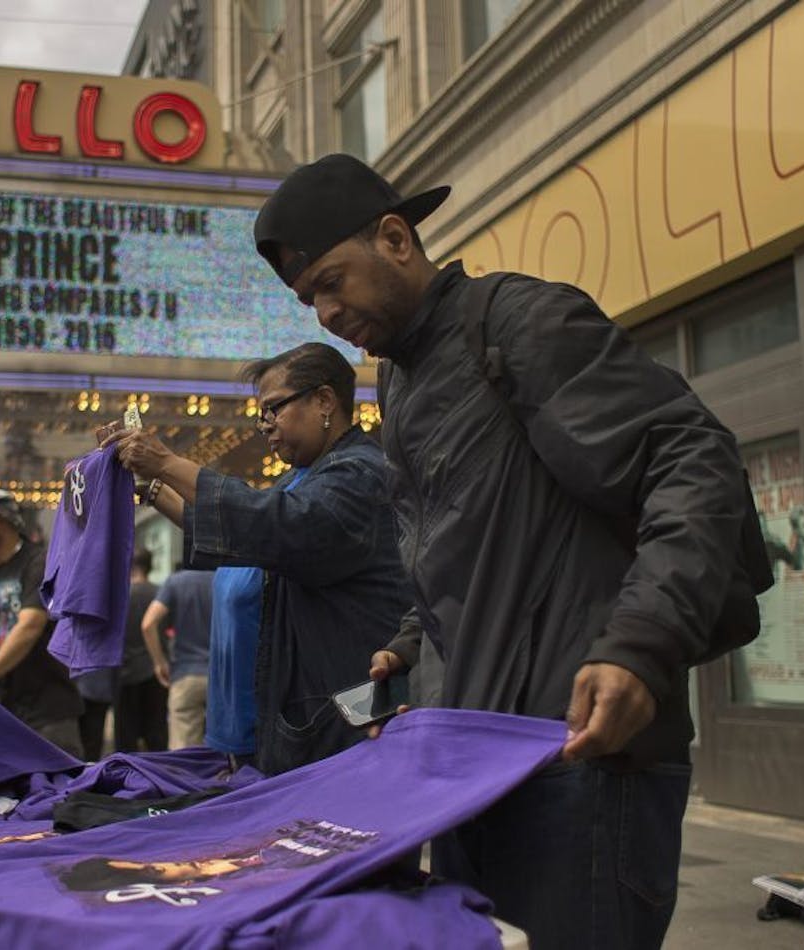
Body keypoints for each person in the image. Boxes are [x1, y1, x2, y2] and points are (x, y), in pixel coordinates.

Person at [253, 152, 758, 949]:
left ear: (394, 237)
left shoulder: (520, 321)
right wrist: (411, 647)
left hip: (582, 764)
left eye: (330, 281)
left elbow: (693, 461)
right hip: (467, 767)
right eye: (308, 296)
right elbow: (467, 551)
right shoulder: (402, 383)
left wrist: (642, 645)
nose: (323, 313)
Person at [104, 342, 410, 775]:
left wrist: (167, 463)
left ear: (324, 400)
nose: (264, 425)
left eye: (274, 409)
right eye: (261, 413)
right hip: (281, 725)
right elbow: (239, 539)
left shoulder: (358, 474)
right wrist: (152, 488)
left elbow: (273, 526)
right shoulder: (302, 478)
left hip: (331, 727)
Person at [0, 489, 84, 757]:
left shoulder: (39, 561)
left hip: (47, 709)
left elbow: (31, 625)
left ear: (0, 521)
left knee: (63, 791)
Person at [141, 567, 214, 749]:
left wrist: (160, 663)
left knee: (183, 755)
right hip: (223, 678)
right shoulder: (223, 578)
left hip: (185, 675)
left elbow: (148, 624)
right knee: (224, 756)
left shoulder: (175, 582)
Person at [113, 551, 165, 753]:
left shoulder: (120, 595)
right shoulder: (159, 593)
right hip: (154, 671)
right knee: (156, 733)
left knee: (126, 737)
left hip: (124, 671)